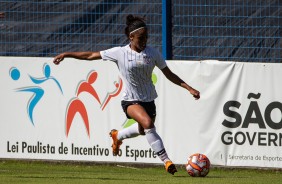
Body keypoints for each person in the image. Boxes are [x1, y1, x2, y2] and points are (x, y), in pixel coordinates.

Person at [53, 14, 200, 175]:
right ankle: (167, 161)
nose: (144, 40)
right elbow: (90, 55)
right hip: (130, 101)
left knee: (143, 129)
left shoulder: (153, 53)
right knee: (148, 123)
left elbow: (169, 74)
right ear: (131, 37)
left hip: (149, 100)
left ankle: (118, 136)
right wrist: (66, 54)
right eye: (141, 38)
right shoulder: (119, 53)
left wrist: (189, 88)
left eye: (146, 37)